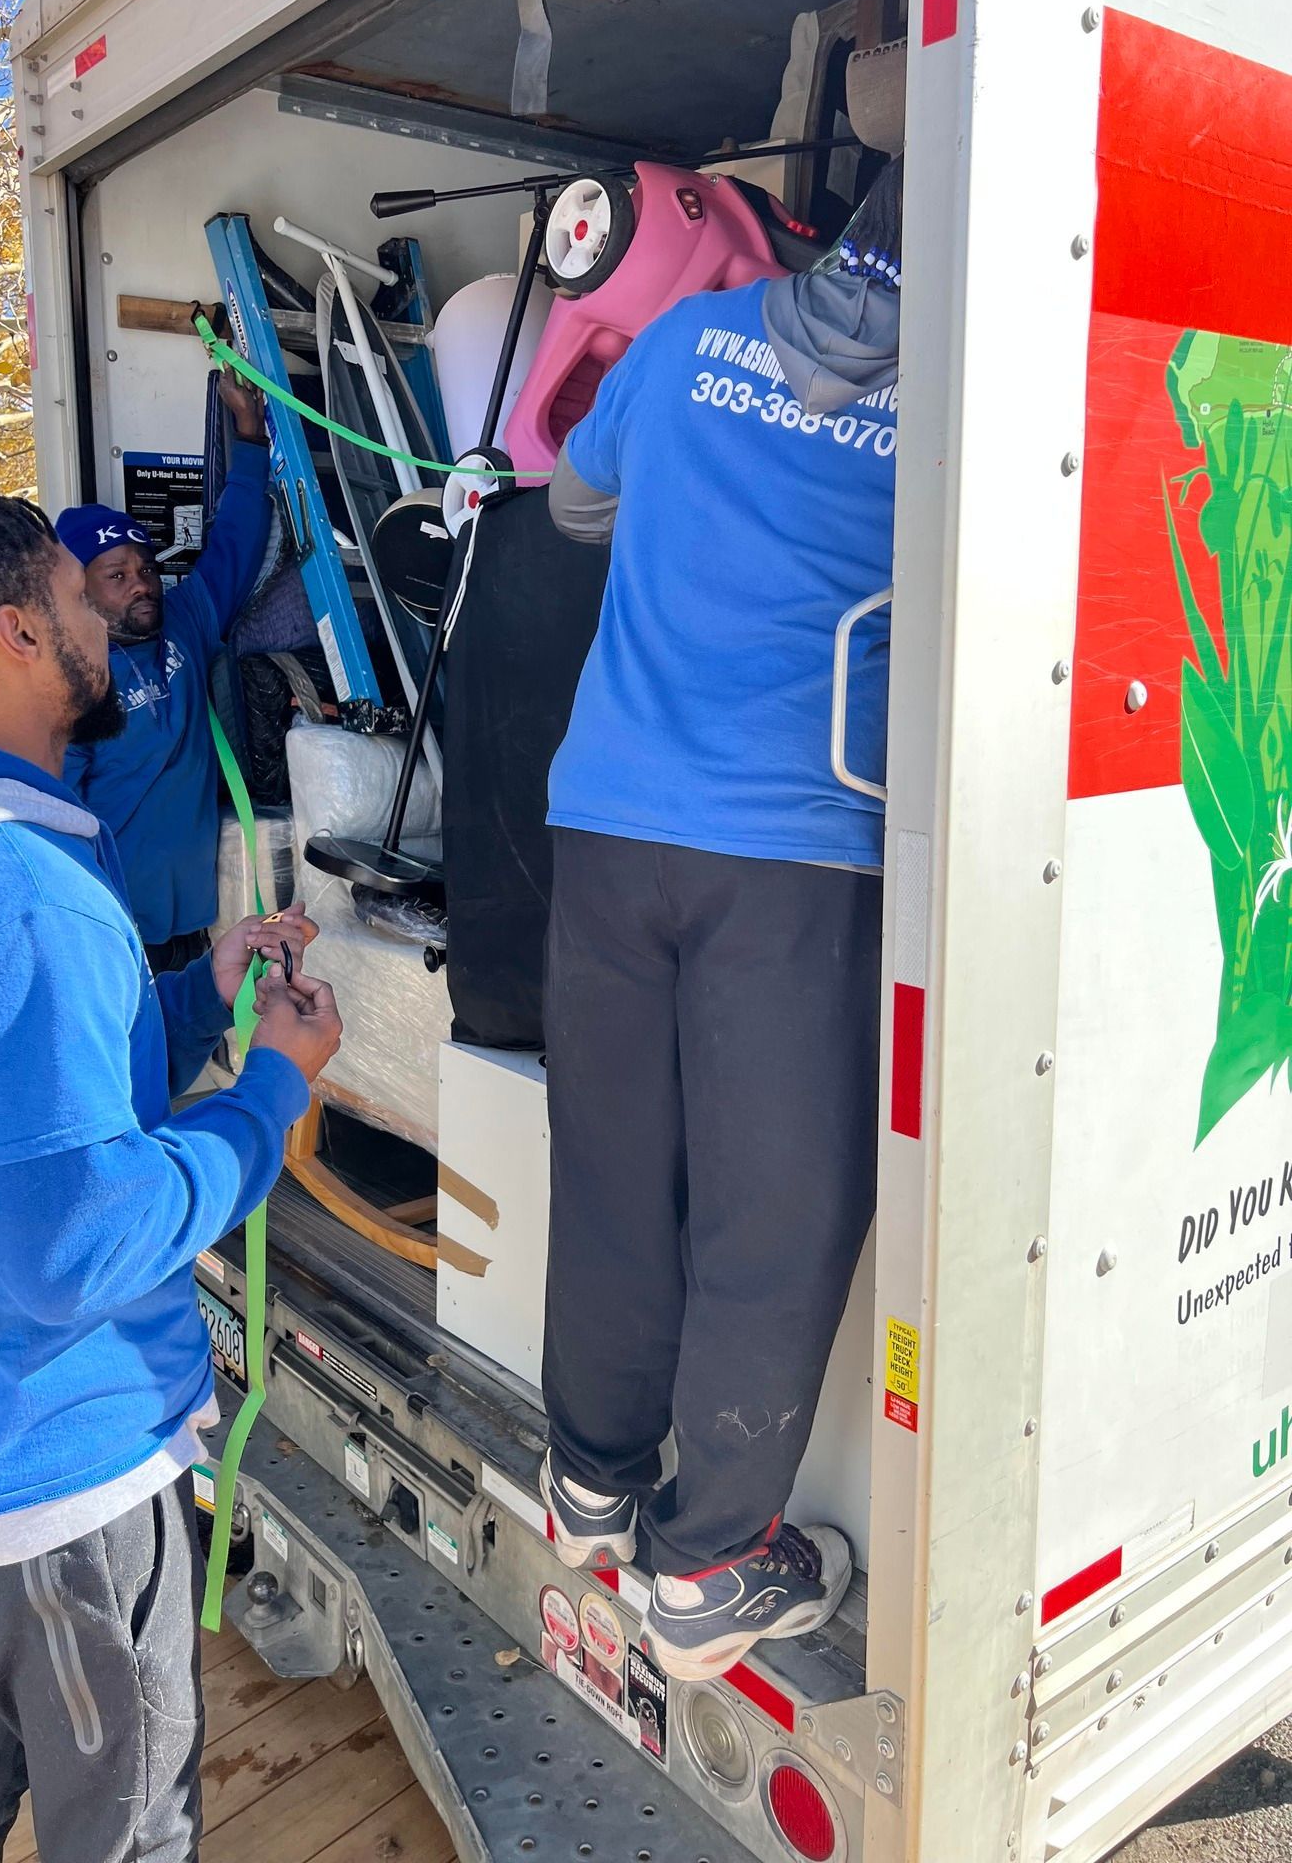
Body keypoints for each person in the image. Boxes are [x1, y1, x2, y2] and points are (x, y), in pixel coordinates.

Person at [0, 494, 342, 1863]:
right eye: (77, 595)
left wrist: (194, 995)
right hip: (69, 1470)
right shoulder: (22, 895)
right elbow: (75, 1244)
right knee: (127, 1832)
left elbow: (20, 1087)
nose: (106, 616)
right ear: (15, 633)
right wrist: (270, 1092)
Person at [537, 159, 903, 1683]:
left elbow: (572, 501)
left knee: (616, 1168)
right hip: (795, 849)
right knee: (773, 1213)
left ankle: (592, 1481)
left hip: (612, 820)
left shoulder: (691, 339)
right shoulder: (955, 412)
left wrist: (693, 512)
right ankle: (706, 1572)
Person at [59, 373, 274, 972]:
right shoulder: (70, 680)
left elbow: (235, 542)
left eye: (147, 568)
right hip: (114, 928)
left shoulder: (185, 620)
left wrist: (249, 434)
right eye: (117, 576)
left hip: (193, 923)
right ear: (79, 589)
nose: (142, 585)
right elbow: (57, 814)